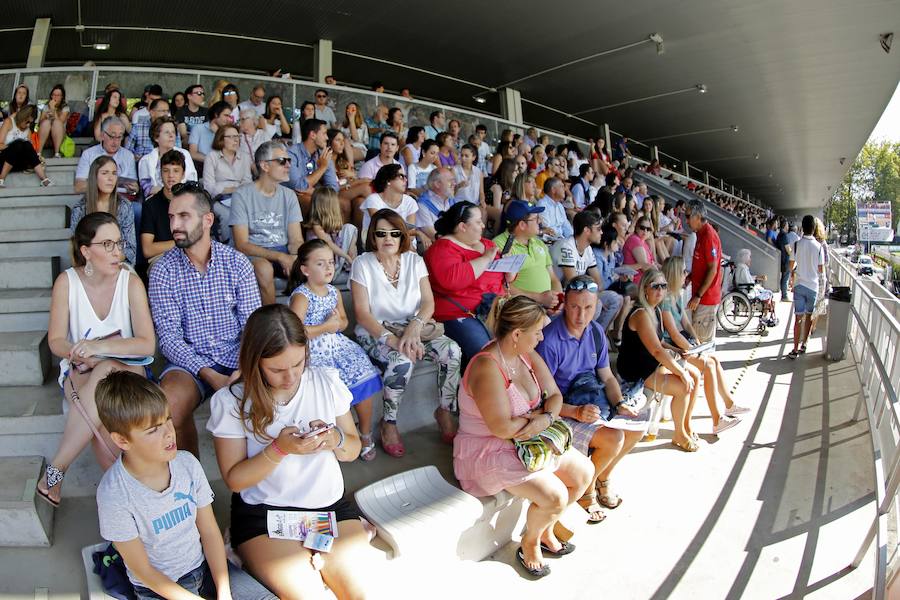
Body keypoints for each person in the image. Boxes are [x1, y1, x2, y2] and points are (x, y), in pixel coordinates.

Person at [207, 304, 374, 599]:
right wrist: (278, 450)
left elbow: (351, 449)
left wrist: (334, 438)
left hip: (328, 507)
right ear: (255, 362)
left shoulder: (325, 380)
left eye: (298, 363)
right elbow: (235, 480)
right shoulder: (232, 401)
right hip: (266, 515)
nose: (291, 376)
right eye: (277, 369)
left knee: (363, 592)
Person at [94, 372, 275, 600]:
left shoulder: (187, 464)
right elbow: (143, 570)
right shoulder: (114, 495)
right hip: (157, 589)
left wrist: (224, 590)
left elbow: (209, 532)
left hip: (204, 568)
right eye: (153, 430)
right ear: (122, 440)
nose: (169, 433)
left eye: (167, 419)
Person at [453, 295, 593, 577]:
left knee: (584, 473)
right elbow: (502, 429)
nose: (542, 337)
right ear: (517, 334)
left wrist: (544, 418)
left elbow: (554, 395)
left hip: (529, 439)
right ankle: (529, 543)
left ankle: (545, 529)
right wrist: (540, 418)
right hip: (488, 451)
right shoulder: (486, 366)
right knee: (554, 496)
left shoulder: (525, 353)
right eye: (538, 331)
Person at [36, 214, 156, 506]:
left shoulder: (130, 281)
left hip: (128, 370)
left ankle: (57, 470)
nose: (119, 252)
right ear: (86, 251)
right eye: (107, 244)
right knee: (102, 419)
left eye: (119, 242)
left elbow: (146, 342)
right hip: (80, 372)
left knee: (106, 369)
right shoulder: (67, 282)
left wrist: (98, 350)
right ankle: (136, 499)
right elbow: (56, 341)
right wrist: (78, 353)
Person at [149, 183, 261, 457]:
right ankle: (193, 483)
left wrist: (244, 369)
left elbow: (253, 327)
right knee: (168, 407)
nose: (175, 224)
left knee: (264, 398)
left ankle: (253, 487)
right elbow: (169, 338)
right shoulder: (162, 270)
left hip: (238, 357)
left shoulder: (237, 263)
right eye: (172, 217)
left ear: (207, 219)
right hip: (190, 362)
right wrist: (208, 373)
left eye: (184, 216)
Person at [350, 211, 462, 457]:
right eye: (381, 233)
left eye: (394, 233)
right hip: (376, 331)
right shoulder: (363, 263)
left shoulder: (414, 260)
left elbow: (428, 303)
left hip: (414, 328)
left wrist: (414, 327)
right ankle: (389, 423)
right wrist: (394, 340)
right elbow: (362, 314)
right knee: (401, 360)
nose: (387, 238)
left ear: (402, 236)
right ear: (372, 236)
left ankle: (444, 410)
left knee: (452, 350)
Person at [535, 276, 644, 524]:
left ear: (597, 307)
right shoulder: (550, 340)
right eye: (574, 306)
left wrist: (619, 404)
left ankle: (602, 478)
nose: (581, 315)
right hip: (562, 410)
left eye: (588, 308)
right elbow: (541, 400)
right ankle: (588, 490)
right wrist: (575, 412)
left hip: (593, 401)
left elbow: (606, 375)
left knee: (635, 429)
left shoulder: (595, 332)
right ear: (565, 303)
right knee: (613, 437)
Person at [290, 239, 383, 460]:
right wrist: (325, 327)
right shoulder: (301, 295)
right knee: (328, 387)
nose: (329, 268)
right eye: (320, 264)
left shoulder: (334, 292)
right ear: (305, 270)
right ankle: (332, 438)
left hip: (338, 346)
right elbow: (294, 331)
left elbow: (343, 322)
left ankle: (365, 433)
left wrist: (336, 325)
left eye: (331, 262)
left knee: (363, 375)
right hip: (313, 351)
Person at [660, 257, 748, 434]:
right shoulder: (665, 301)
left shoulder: (675, 295)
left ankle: (729, 404)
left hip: (681, 344)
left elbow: (686, 324)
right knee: (708, 365)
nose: (686, 275)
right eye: (684, 271)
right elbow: (674, 334)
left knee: (713, 358)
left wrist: (699, 344)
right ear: (675, 274)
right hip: (672, 348)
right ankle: (717, 419)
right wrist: (694, 350)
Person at [619, 269, 701, 452]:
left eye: (663, 286)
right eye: (656, 286)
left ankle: (686, 427)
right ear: (645, 289)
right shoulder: (641, 313)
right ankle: (679, 433)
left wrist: (678, 350)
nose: (660, 291)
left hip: (651, 365)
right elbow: (656, 350)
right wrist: (681, 372)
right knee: (684, 386)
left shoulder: (654, 309)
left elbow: (661, 342)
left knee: (694, 376)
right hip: (638, 371)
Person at [425, 202, 505, 363]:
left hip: (496, 307)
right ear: (463, 226)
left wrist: (510, 274)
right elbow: (454, 280)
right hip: (461, 314)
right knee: (486, 354)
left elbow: (500, 275)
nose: (483, 225)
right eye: (478, 222)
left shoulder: (487, 243)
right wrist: (486, 258)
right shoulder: (442, 249)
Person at [231, 141, 303, 305]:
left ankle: (305, 322)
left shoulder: (289, 195)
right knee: (264, 268)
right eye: (282, 161)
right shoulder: (242, 195)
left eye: (289, 161)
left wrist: (297, 258)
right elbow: (242, 244)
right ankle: (270, 323)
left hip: (282, 249)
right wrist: (280, 257)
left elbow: (296, 240)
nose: (288, 165)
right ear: (265, 166)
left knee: (313, 262)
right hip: (253, 253)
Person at [552, 211, 624, 332]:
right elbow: (572, 282)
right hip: (560, 296)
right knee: (596, 305)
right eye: (598, 229)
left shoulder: (588, 249)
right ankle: (581, 336)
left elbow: (599, 283)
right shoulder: (566, 246)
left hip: (579, 293)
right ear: (587, 230)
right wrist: (593, 297)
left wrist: (594, 294)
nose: (601, 232)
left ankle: (596, 335)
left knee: (615, 298)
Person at [492, 200, 564, 315]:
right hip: (521, 310)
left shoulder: (539, 243)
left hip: (546, 308)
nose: (540, 221)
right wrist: (539, 298)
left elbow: (553, 278)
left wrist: (558, 303)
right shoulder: (499, 245)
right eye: (535, 219)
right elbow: (501, 287)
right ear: (522, 225)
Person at [70, 156, 137, 264]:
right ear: (94, 177)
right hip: (89, 265)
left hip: (118, 264)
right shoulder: (80, 209)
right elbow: (77, 248)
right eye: (105, 173)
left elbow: (130, 250)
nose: (111, 178)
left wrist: (108, 260)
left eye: (114, 173)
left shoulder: (125, 206)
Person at [685, 200, 723, 344]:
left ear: (698, 216)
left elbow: (712, 269)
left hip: (706, 299)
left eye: (688, 216)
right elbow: (703, 265)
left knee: (702, 344)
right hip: (702, 297)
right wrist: (691, 276)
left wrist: (699, 295)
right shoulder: (701, 234)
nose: (686, 221)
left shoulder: (708, 236)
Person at [359, 163, 426, 246]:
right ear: (388, 181)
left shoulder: (410, 201)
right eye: (401, 176)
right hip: (379, 245)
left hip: (405, 245)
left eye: (405, 177)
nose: (405, 180)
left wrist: (412, 233)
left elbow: (411, 237)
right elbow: (381, 227)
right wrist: (414, 232)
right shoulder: (373, 200)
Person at [788, 215, 825, 359]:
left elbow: (791, 265)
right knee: (809, 316)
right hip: (813, 286)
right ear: (814, 228)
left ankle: (795, 348)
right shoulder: (819, 247)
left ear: (802, 228)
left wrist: (798, 269)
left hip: (799, 285)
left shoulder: (797, 244)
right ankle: (805, 344)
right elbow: (820, 269)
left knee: (797, 318)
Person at [304, 187, 357, 285]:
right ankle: (350, 264)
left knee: (350, 228)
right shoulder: (316, 226)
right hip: (324, 264)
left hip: (336, 259)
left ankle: (352, 265)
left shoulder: (332, 226)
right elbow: (328, 244)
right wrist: (346, 257)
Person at [140, 150, 184, 264]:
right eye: (166, 171)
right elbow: (147, 249)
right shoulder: (150, 205)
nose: (171, 176)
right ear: (160, 174)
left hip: (189, 255)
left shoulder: (192, 203)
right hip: (161, 258)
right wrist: (181, 242)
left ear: (183, 174)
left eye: (176, 171)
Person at [75, 117, 138, 194]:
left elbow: (135, 187)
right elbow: (79, 186)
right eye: (112, 136)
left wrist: (134, 188)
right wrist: (103, 184)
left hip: (121, 199)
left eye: (119, 137)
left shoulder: (128, 156)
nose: (116, 141)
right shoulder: (88, 154)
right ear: (102, 135)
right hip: (96, 198)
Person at [137, 116, 197, 197]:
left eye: (173, 132)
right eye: (167, 132)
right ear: (156, 137)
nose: (171, 135)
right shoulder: (146, 160)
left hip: (183, 198)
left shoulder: (185, 154)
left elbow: (192, 183)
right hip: (156, 200)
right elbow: (147, 189)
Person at [0, 106, 52, 187]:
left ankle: (44, 179)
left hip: (19, 164)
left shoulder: (28, 131)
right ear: (22, 117)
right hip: (4, 161)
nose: (28, 125)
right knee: (18, 144)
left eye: (30, 123)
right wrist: (13, 147)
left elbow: (29, 150)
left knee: (27, 145)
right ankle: (1, 179)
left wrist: (38, 157)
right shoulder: (9, 122)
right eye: (27, 122)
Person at [202, 123, 252, 199]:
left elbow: (247, 182)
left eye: (237, 136)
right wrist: (231, 190)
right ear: (221, 139)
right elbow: (209, 186)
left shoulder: (245, 157)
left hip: (241, 196)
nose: (236, 140)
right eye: (231, 137)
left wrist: (237, 191)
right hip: (219, 197)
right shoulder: (212, 157)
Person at [730, 248, 776, 326]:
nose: (750, 260)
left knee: (769, 296)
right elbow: (749, 282)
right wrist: (756, 282)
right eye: (749, 258)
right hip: (746, 291)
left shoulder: (742, 267)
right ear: (745, 259)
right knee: (767, 295)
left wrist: (757, 278)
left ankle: (768, 316)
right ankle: (765, 317)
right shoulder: (742, 269)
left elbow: (748, 279)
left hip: (746, 289)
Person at [416, 167, 458, 243]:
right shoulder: (422, 204)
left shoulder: (451, 200)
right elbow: (433, 234)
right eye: (450, 181)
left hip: (452, 242)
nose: (454, 184)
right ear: (437, 184)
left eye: (454, 180)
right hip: (436, 245)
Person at [189, 101, 232, 166]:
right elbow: (193, 154)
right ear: (216, 114)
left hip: (224, 167)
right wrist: (213, 160)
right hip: (202, 165)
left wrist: (218, 133)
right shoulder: (198, 128)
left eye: (230, 116)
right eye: (226, 115)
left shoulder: (229, 131)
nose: (228, 119)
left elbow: (229, 152)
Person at [36, 84, 70, 158]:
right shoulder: (46, 106)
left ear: (62, 97)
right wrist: (46, 117)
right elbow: (39, 124)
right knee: (46, 122)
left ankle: (57, 153)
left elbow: (61, 122)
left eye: (58, 95)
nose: (55, 97)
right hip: (46, 137)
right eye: (53, 95)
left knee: (56, 123)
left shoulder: (65, 108)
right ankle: (38, 153)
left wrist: (53, 109)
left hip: (59, 137)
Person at [809, 217, 830, 335]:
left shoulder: (808, 241)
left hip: (808, 276)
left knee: (809, 304)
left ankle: (807, 326)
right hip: (820, 278)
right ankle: (813, 327)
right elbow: (826, 262)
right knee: (818, 304)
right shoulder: (823, 244)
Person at [535, 177, 573, 241]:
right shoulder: (542, 204)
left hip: (561, 240)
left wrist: (573, 239)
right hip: (550, 241)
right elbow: (548, 229)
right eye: (562, 186)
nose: (565, 189)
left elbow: (566, 225)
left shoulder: (560, 205)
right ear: (553, 190)